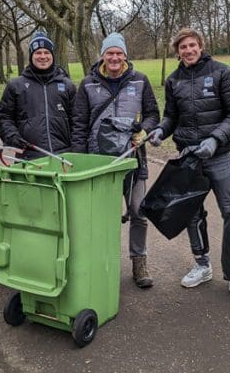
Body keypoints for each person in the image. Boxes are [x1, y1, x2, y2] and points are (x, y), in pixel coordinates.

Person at [149, 27, 230, 294]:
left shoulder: (222, 73)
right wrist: (160, 129)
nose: (188, 50)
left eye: (192, 45)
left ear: (201, 46)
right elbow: (171, 117)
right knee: (191, 213)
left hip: (219, 157)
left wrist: (215, 139)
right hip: (188, 158)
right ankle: (202, 265)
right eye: (183, 47)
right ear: (178, 52)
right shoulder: (173, 81)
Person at [71, 32, 159, 288]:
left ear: (125, 56)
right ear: (102, 55)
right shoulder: (87, 84)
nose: (114, 58)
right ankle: (103, 262)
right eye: (110, 53)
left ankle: (139, 262)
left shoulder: (140, 80)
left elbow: (153, 113)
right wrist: (80, 159)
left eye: (119, 53)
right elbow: (79, 123)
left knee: (138, 211)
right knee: (102, 217)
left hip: (132, 159)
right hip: (99, 163)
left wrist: (143, 130)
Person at [0, 31, 76, 159]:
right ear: (31, 56)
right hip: (28, 156)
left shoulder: (67, 86)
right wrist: (12, 136)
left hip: (63, 156)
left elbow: (77, 120)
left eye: (46, 52)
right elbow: (3, 117)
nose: (43, 56)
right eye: (38, 53)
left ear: (52, 55)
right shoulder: (16, 85)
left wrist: (76, 149)